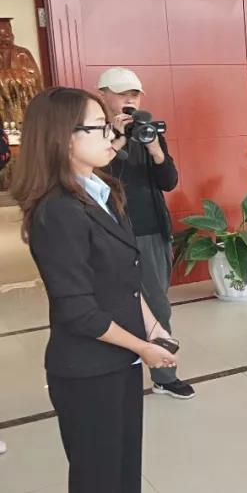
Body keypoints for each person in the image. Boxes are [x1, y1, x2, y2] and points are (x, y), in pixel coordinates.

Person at [10, 87, 178, 492]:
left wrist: (153, 328)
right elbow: (78, 311)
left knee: (124, 470)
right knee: (99, 479)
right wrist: (142, 348)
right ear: (63, 137)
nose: (111, 136)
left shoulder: (103, 193)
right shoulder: (57, 211)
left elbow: (127, 279)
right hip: (88, 371)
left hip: (121, 361)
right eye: (99, 127)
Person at [98, 67, 193, 400]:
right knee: (108, 307)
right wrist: (117, 139)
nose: (130, 100)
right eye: (122, 94)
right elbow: (94, 178)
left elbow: (169, 181)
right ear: (103, 95)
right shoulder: (92, 132)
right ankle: (113, 376)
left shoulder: (148, 130)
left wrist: (154, 149)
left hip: (152, 231)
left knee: (157, 305)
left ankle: (164, 377)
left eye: (135, 94)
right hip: (110, 232)